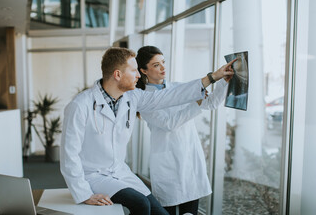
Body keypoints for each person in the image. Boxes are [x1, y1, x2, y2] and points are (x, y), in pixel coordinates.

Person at [60, 47, 235, 215]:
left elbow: (171, 95)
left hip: (120, 172)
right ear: (118, 74)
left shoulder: (132, 97)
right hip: (94, 175)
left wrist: (214, 77)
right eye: (134, 70)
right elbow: (69, 155)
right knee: (141, 205)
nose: (138, 75)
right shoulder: (80, 106)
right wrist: (83, 194)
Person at [135, 46, 233, 215]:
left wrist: (224, 81)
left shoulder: (179, 88)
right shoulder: (143, 99)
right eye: (156, 65)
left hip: (189, 160)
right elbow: (169, 123)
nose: (163, 68)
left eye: (163, 62)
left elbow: (211, 103)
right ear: (144, 70)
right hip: (167, 165)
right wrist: (196, 104)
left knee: (191, 211)